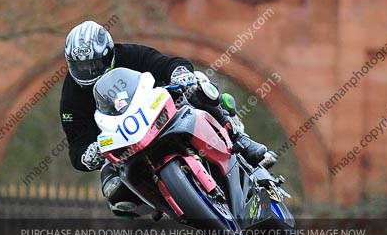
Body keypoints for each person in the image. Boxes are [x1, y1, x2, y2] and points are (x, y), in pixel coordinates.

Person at [59, 20, 277, 217]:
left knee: (199, 84)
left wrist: (180, 73)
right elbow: (76, 143)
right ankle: (160, 199)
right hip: (122, 142)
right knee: (115, 193)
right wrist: (87, 155)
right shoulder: (71, 95)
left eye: (94, 63)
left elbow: (166, 63)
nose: (88, 70)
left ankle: (240, 138)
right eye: (81, 66)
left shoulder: (129, 54)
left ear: (108, 54)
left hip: (157, 113)